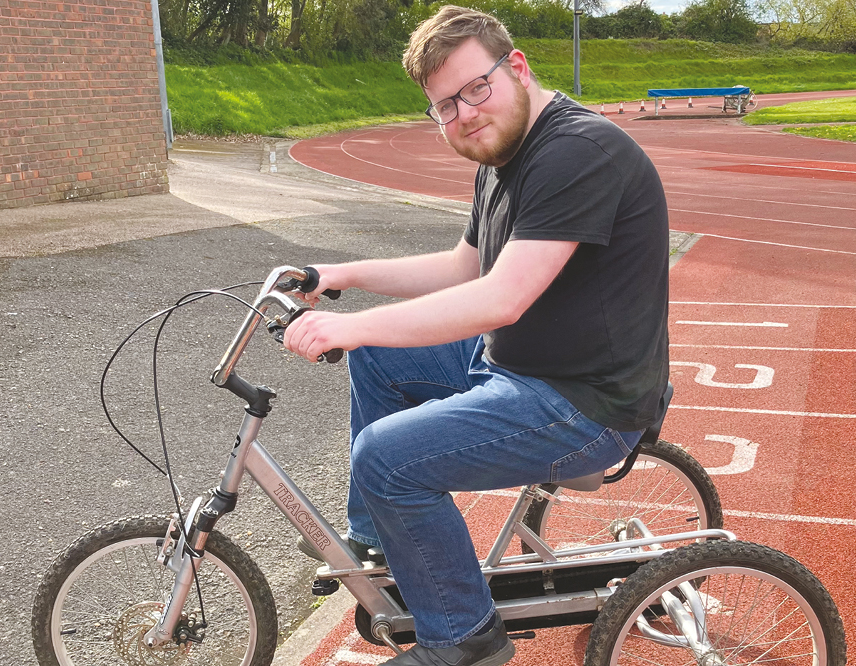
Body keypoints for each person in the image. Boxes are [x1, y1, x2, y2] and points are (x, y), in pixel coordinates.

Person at [282, 6, 670, 665]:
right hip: (528, 366)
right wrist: (334, 273)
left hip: (585, 403)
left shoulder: (577, 152)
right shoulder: (503, 153)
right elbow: (464, 265)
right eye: (444, 107)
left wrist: (348, 324)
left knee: (386, 457)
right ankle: (381, 538)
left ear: (515, 67)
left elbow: (501, 297)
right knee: (377, 358)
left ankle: (462, 637)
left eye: (475, 89)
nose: (463, 114)